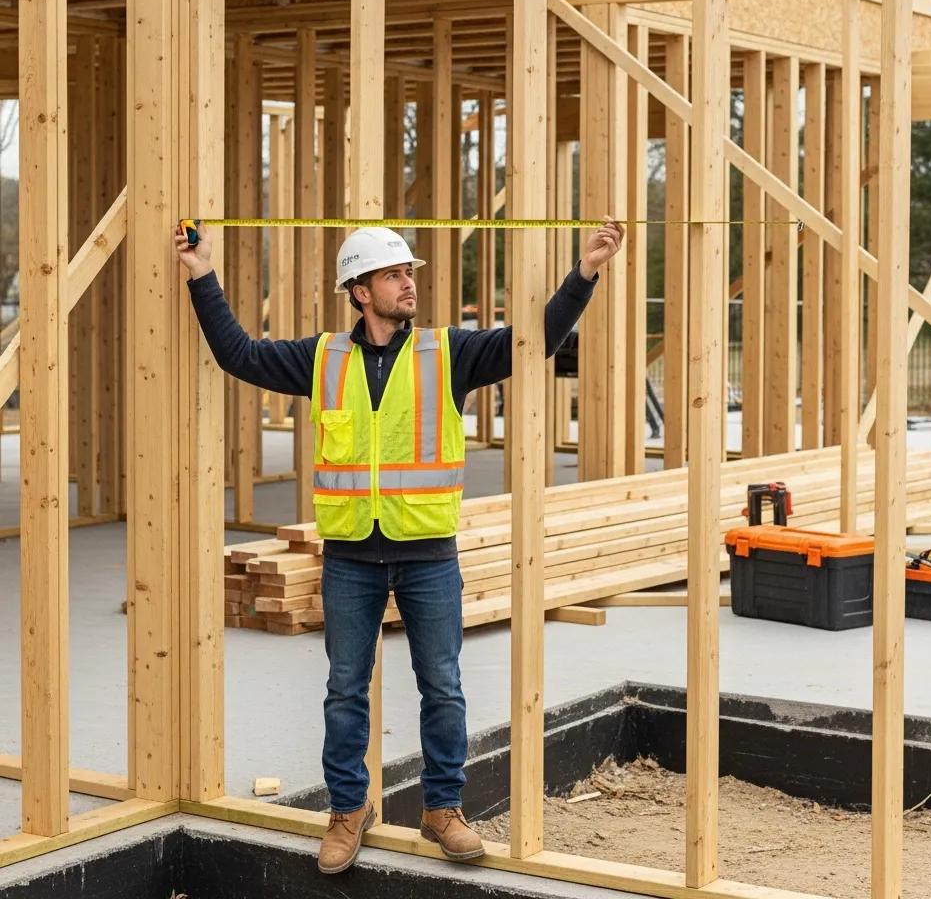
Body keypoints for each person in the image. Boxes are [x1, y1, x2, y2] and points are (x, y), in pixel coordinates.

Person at [174, 218, 623, 874]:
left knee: (442, 686)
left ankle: (443, 810)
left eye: (409, 272)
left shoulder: (448, 353)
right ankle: (347, 812)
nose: (409, 283)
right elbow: (239, 354)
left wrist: (583, 274)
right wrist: (201, 273)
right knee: (344, 691)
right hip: (351, 556)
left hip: (428, 554)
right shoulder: (322, 358)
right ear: (360, 291)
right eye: (394, 274)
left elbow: (535, 343)